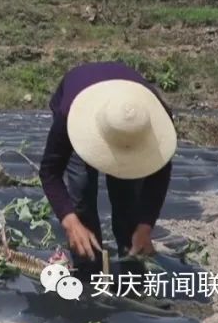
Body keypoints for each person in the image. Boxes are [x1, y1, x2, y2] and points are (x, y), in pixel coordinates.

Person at [38, 61, 176, 286]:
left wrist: (145, 226)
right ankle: (88, 272)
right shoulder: (70, 116)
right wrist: (71, 222)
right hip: (82, 107)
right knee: (81, 190)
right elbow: (49, 172)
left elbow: (159, 174)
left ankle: (132, 267)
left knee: (128, 197)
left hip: (128, 117)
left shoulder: (156, 118)